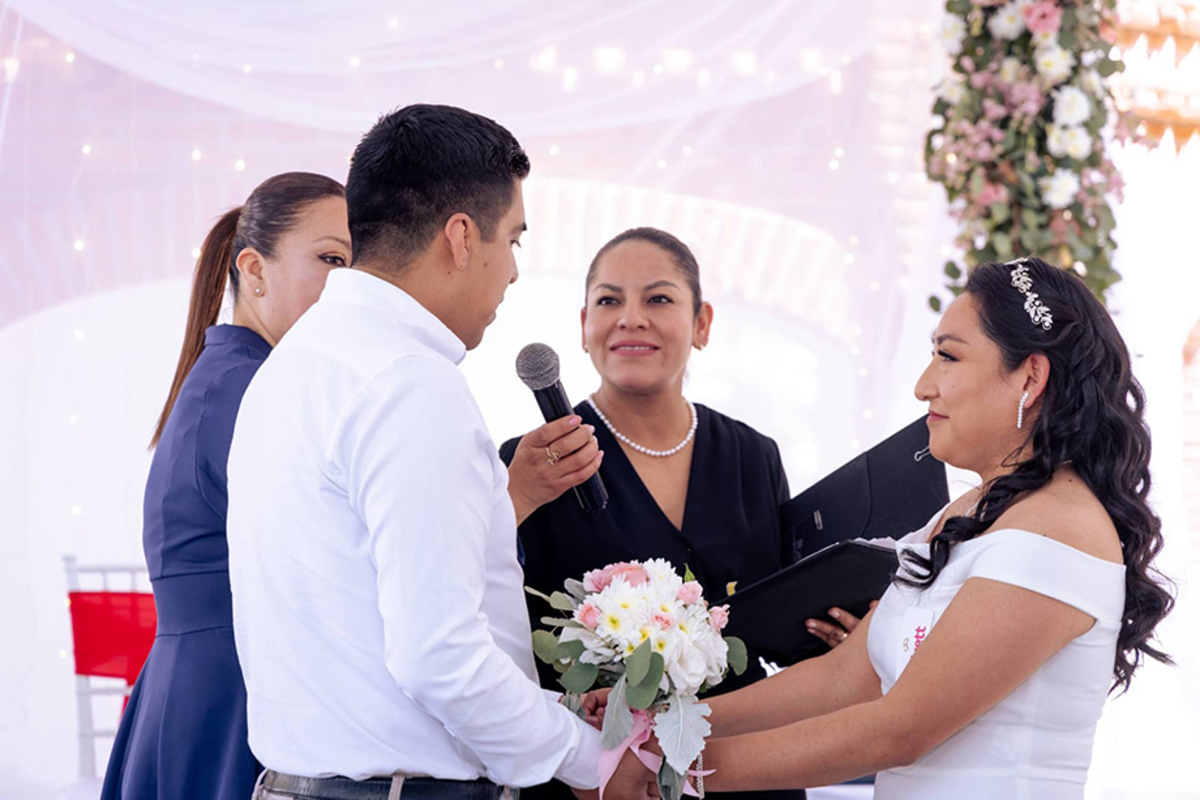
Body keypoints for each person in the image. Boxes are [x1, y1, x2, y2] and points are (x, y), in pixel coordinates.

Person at [225, 105, 651, 800]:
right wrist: (589, 760)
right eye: (512, 239)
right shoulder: (407, 382)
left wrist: (553, 711)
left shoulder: (294, 362)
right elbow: (438, 658)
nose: (513, 272)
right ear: (460, 237)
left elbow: (356, 634)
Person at [628, 257, 1174, 799]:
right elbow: (841, 680)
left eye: (948, 356)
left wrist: (669, 771)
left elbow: (900, 730)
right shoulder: (969, 511)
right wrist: (662, 722)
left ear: (1030, 377)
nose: (922, 386)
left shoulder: (1056, 530)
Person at [501, 227, 860, 800]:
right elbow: (496, 641)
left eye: (659, 298)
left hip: (742, 770)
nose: (631, 318)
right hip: (598, 779)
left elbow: (777, 623)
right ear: (584, 326)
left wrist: (841, 635)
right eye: (609, 301)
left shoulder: (753, 456)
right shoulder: (532, 465)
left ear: (702, 324)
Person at [100, 172, 349, 800]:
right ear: (254, 270)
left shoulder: (238, 377)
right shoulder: (248, 389)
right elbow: (338, 556)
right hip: (232, 694)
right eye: (330, 260)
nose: (349, 284)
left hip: (212, 686)